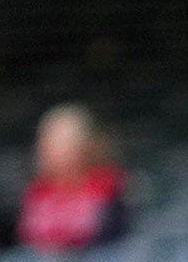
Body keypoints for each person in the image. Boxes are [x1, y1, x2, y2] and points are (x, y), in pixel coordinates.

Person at [17, 103, 128, 253]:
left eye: (59, 146)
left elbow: (109, 238)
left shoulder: (108, 193)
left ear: (83, 149)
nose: (45, 152)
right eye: (45, 144)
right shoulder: (37, 194)